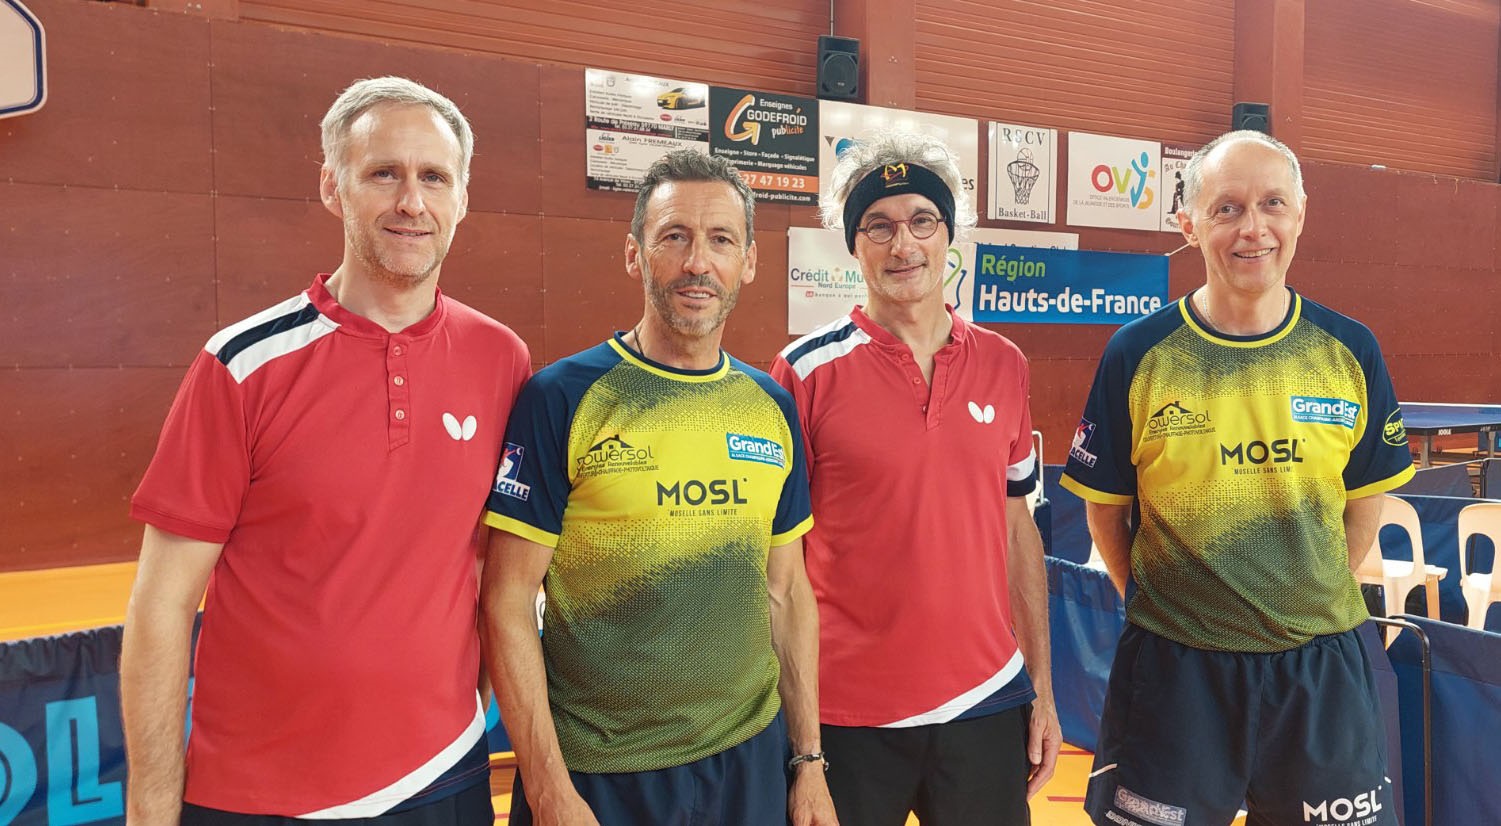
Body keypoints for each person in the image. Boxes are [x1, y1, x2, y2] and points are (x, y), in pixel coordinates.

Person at [121, 77, 530, 825]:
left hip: (444, 779)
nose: (411, 202)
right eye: (383, 173)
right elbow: (162, 604)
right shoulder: (241, 365)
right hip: (256, 796)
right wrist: (150, 808)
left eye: (434, 177)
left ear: (463, 197)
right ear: (332, 187)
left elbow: (492, 572)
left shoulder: (502, 359)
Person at [1062, 130, 1414, 826]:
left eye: (1272, 203)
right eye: (1227, 208)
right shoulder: (1138, 353)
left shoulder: (1349, 350)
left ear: (1301, 213)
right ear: (1188, 224)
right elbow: (1106, 512)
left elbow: (1364, 501)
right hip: (1176, 671)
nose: (1253, 228)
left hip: (1319, 670)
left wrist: (1303, 601)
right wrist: (1168, 607)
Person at [480, 149, 837, 826]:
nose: (697, 262)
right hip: (600, 776)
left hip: (748, 764)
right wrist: (549, 789)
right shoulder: (563, 397)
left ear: (748, 262)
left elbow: (787, 594)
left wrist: (809, 761)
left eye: (720, 240)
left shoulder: (770, 405)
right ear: (634, 254)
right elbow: (505, 600)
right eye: (674, 236)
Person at [771, 131, 1059, 825]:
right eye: (879, 225)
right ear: (854, 244)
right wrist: (804, 749)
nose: (903, 245)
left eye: (921, 221)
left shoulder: (1005, 363)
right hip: (846, 715)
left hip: (985, 702)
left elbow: (1016, 528)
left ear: (948, 235)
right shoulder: (803, 372)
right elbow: (779, 568)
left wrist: (1042, 689)